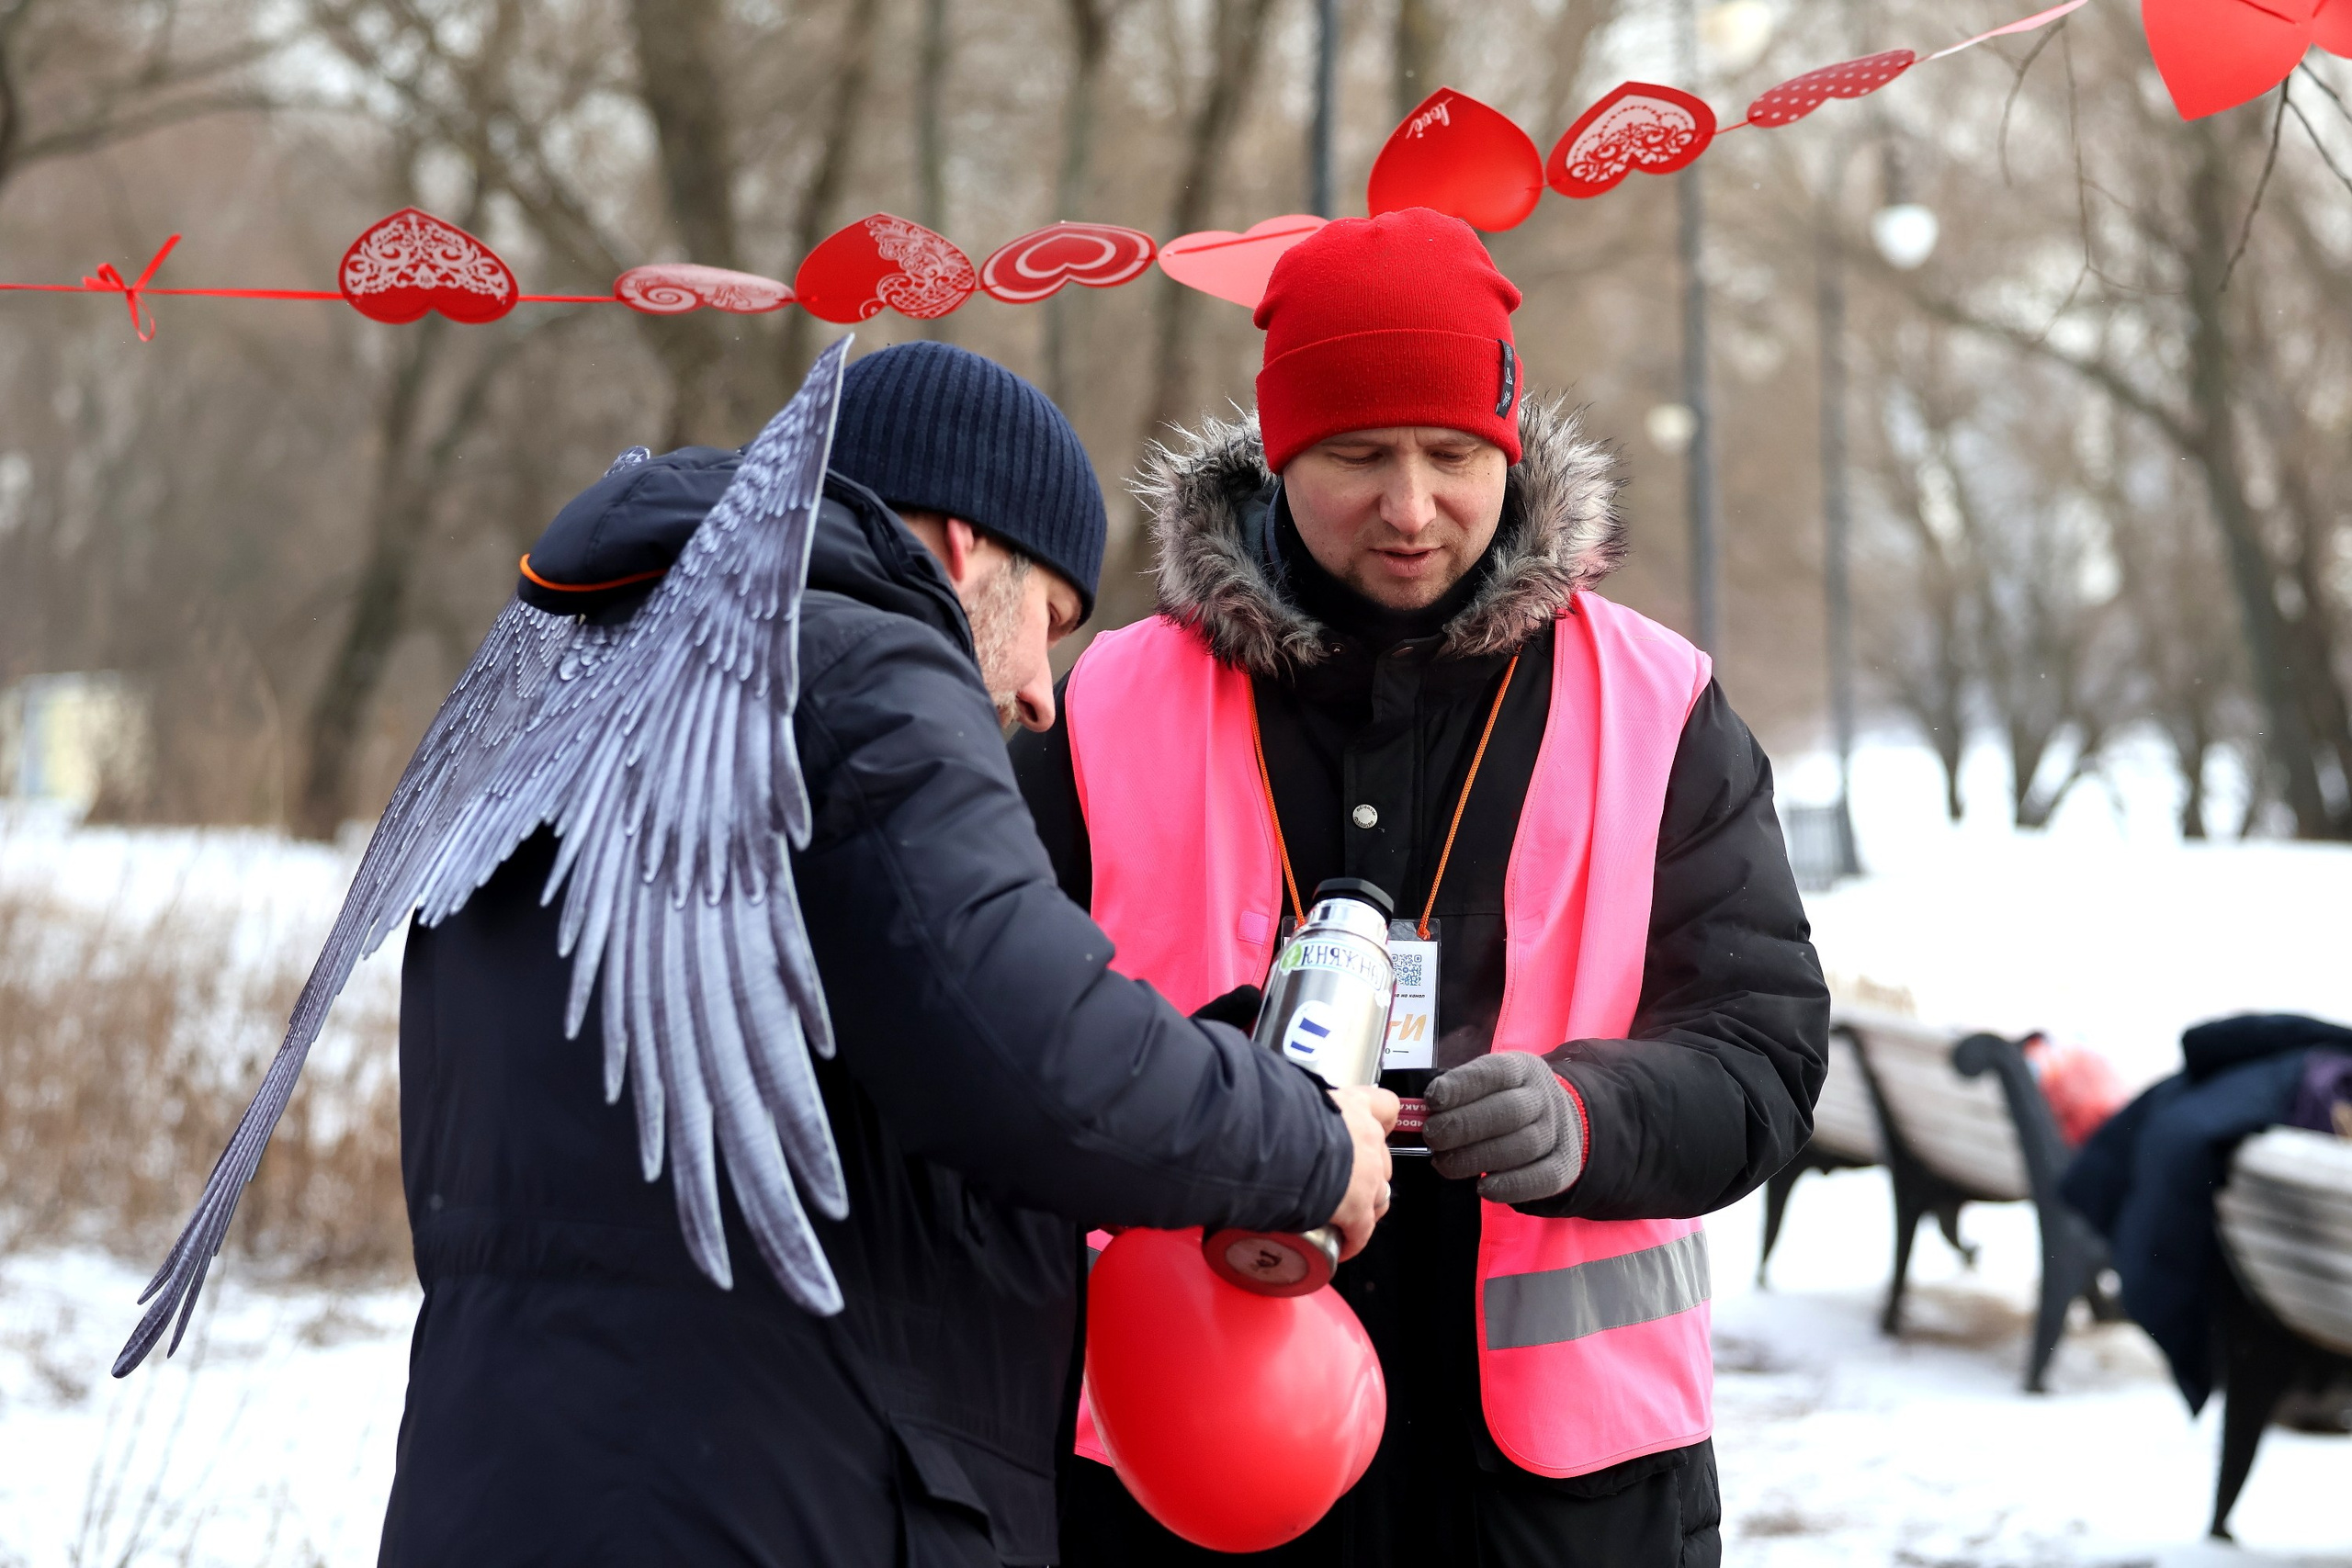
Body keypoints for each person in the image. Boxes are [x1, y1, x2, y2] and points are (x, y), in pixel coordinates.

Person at [115, 338, 1394, 1568]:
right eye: (1047, 622)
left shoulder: (569, 682)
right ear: (966, 545)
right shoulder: (854, 662)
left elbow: (859, 1048)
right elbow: (1030, 1055)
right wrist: (1303, 1141)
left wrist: (1205, 1055)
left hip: (523, 1485)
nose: (1041, 694)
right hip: (764, 1504)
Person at [1012, 210, 1829, 1567]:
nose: (1410, 507)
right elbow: (1004, 1044)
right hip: (1190, 1459)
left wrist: (1590, 1114)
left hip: (1561, 1499)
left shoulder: (1659, 702)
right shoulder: (1105, 704)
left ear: (1508, 447)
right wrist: (1213, 1099)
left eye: (1453, 456)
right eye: (1356, 457)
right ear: (1279, 460)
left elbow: (1767, 1058)